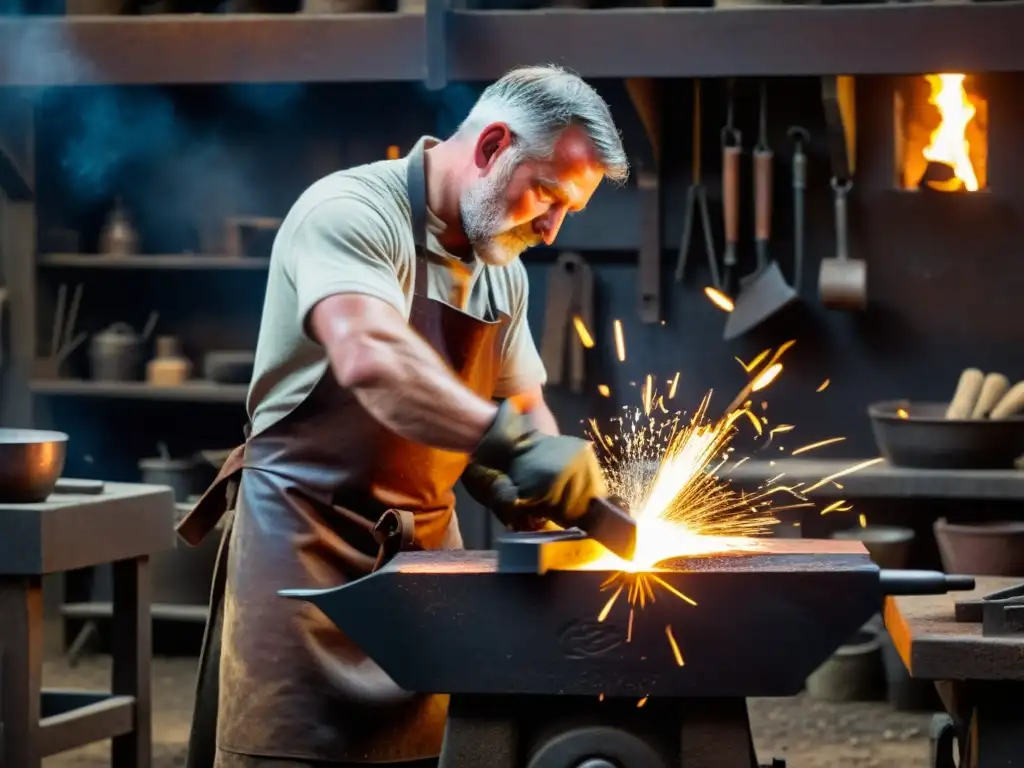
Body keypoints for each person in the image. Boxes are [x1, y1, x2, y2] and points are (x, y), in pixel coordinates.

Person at [177, 64, 630, 768]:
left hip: (422, 567)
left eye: (568, 209)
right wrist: (503, 444)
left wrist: (543, 487)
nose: (550, 229)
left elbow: (523, 404)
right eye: (547, 195)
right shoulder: (352, 211)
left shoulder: (499, 264)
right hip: (304, 555)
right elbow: (370, 356)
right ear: (491, 147)